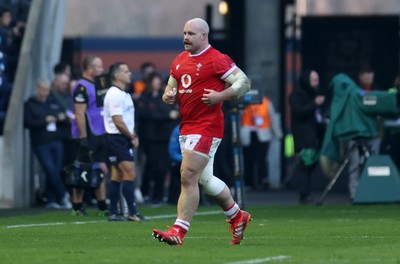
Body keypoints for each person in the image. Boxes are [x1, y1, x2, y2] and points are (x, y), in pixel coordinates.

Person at [152, 18, 252, 246]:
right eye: (184, 32)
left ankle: (179, 230)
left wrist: (220, 96)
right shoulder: (179, 60)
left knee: (187, 174)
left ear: (203, 36)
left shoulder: (217, 59)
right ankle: (237, 216)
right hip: (187, 127)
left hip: (207, 127)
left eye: (190, 33)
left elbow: (244, 83)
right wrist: (168, 95)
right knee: (205, 181)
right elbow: (171, 86)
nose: (185, 37)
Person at [103, 62, 146, 221]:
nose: (129, 73)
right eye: (125, 71)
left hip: (121, 137)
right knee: (130, 173)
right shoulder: (114, 93)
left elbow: (126, 121)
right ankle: (132, 212)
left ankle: (114, 212)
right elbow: (118, 120)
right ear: (116, 75)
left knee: (117, 175)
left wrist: (132, 134)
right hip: (117, 138)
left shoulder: (124, 94)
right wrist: (131, 136)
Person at [70, 55, 109, 216]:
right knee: (82, 169)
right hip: (87, 134)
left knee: (100, 169)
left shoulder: (100, 84)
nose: (102, 70)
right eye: (99, 67)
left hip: (100, 132)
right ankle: (77, 207)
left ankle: (102, 206)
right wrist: (83, 138)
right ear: (90, 68)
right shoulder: (81, 87)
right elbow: (80, 114)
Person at [24, 80, 71, 209]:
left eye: (47, 89)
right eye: (43, 89)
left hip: (56, 141)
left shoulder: (53, 102)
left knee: (55, 170)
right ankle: (63, 195)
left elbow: (65, 117)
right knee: (50, 169)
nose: (45, 92)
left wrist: (62, 117)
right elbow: (28, 123)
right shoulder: (30, 104)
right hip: (41, 143)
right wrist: (44, 120)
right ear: (37, 89)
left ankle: (51, 199)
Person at [136, 71, 179, 205]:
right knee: (151, 166)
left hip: (165, 137)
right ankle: (147, 193)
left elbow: (172, 112)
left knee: (163, 167)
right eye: (154, 81)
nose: (157, 83)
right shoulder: (145, 96)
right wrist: (166, 115)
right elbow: (146, 114)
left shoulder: (165, 96)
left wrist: (163, 115)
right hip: (149, 138)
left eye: (158, 81)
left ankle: (159, 195)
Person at [289, 70, 326, 204]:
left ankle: (306, 193)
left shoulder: (313, 95)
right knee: (304, 165)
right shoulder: (297, 96)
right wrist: (315, 104)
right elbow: (299, 112)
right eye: (314, 80)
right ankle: (304, 194)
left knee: (310, 164)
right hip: (304, 137)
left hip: (315, 136)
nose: (317, 83)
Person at [240, 96, 283, 190]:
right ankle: (248, 183)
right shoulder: (244, 101)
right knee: (248, 160)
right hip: (248, 133)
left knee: (262, 159)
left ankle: (263, 181)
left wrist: (278, 134)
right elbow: (240, 116)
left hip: (263, 134)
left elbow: (273, 118)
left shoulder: (266, 102)